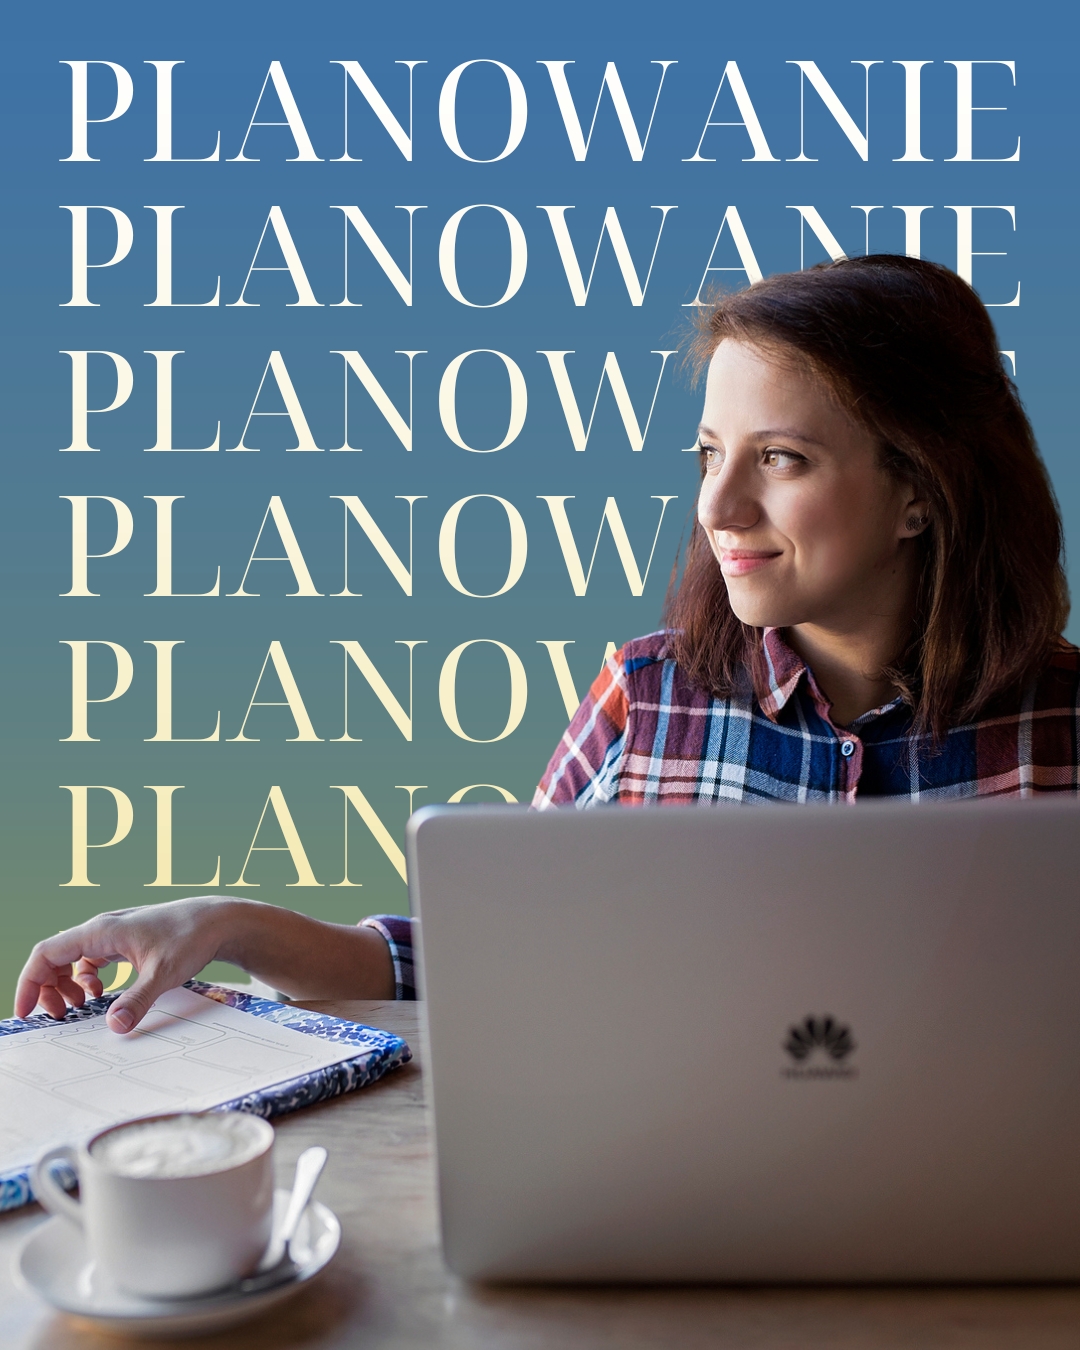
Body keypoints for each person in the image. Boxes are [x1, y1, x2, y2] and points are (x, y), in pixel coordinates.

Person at [16, 256, 1080, 1032]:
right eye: (709, 451)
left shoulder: (1063, 735)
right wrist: (224, 923)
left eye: (783, 459)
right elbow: (482, 965)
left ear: (920, 493)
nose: (719, 503)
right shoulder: (645, 694)